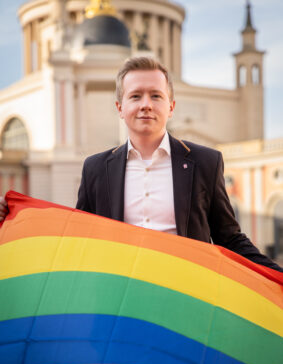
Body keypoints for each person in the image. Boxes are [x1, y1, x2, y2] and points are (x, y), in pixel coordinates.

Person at [0, 57, 282, 272]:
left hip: (188, 298)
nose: (146, 104)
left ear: (170, 106)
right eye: (135, 96)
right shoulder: (96, 168)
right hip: (119, 304)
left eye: (155, 95)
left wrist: (276, 275)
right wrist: (13, 217)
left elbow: (229, 238)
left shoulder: (205, 162)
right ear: (120, 108)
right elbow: (77, 235)